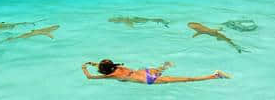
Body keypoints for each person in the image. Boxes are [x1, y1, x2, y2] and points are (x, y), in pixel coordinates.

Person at [81, 59, 231, 84]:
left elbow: (89, 77)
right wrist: (94, 62)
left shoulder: (112, 75)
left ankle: (214, 75)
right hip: (145, 71)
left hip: (147, 80)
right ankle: (164, 66)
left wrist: (84, 68)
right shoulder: (119, 66)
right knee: (160, 69)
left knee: (186, 79)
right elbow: (107, 66)